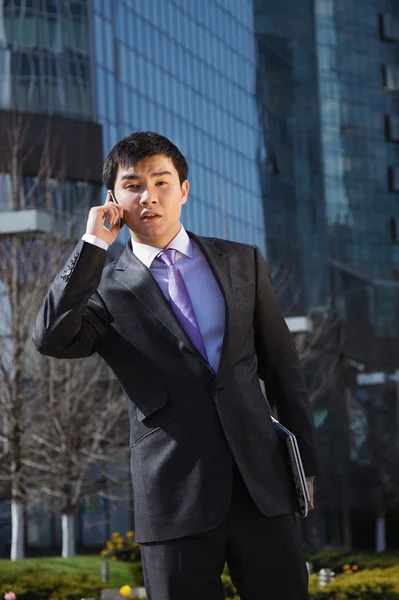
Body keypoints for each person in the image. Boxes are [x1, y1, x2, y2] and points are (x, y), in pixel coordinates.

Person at [33, 132, 321, 600]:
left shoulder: (242, 262)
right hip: (173, 497)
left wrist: (304, 461)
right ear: (113, 200)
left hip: (261, 490)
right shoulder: (104, 288)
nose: (148, 196)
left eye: (161, 181)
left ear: (183, 190)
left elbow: (284, 369)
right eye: (133, 185)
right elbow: (50, 337)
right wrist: (92, 244)